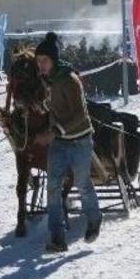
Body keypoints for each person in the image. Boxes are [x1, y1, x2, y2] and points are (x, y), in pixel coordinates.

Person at [35, 32, 101, 252]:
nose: (41, 65)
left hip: (80, 141)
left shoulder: (69, 80)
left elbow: (79, 115)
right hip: (59, 144)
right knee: (53, 187)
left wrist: (54, 132)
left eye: (44, 60)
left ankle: (94, 219)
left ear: (53, 59)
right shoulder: (49, 81)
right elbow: (54, 105)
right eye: (39, 61)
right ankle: (58, 238)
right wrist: (43, 108)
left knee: (82, 184)